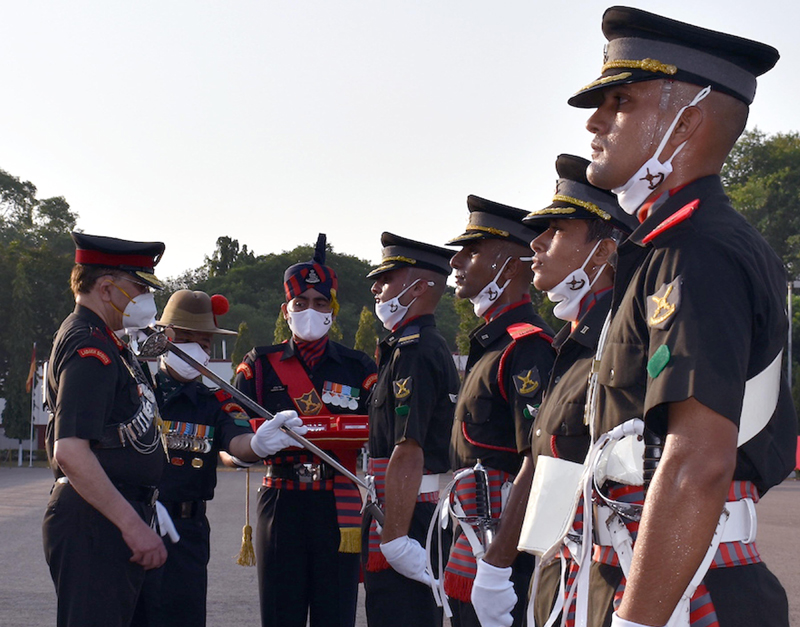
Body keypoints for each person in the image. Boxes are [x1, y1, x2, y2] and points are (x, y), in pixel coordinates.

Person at [562, 7, 796, 627]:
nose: (594, 121)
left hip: (687, 592)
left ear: (685, 122)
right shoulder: (666, 248)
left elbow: (697, 463)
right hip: (659, 575)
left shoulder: (698, 251)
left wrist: (636, 621)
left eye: (620, 102)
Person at [466, 154, 636, 626]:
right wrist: (496, 567)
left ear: (601, 253)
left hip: (614, 580)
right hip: (567, 573)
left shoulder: (623, 342)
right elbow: (545, 465)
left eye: (557, 230)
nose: (537, 243)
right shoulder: (574, 345)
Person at [132, 289, 303, 627]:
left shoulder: (215, 401)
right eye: (186, 339)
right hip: (135, 521)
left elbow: (236, 442)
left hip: (187, 530)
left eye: (205, 343)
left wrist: (259, 444)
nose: (197, 349)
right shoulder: (137, 390)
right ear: (165, 339)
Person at [234, 234, 377, 627]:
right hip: (281, 501)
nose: (310, 310)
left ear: (333, 310)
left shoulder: (359, 366)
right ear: (286, 310)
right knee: (281, 615)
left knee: (337, 615)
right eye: (300, 303)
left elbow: (382, 430)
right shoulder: (259, 365)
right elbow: (230, 434)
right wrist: (251, 446)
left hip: (337, 501)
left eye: (320, 303)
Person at [440, 195, 555, 627]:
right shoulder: (492, 343)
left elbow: (537, 461)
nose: (456, 262)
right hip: (474, 531)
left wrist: (498, 563)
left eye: (471, 252)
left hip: (506, 542)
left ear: (508, 268)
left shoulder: (527, 347)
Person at [42, 233, 168, 627]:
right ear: (107, 288)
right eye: (140, 288)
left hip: (108, 514)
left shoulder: (110, 342)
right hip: (95, 521)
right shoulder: (88, 346)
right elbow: (71, 450)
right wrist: (131, 525)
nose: (147, 299)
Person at [362, 232, 460, 627]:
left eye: (386, 279)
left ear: (418, 288)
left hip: (408, 515)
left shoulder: (414, 351)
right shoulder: (404, 347)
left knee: (403, 614)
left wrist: (395, 538)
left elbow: (409, 447)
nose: (376, 288)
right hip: (400, 510)